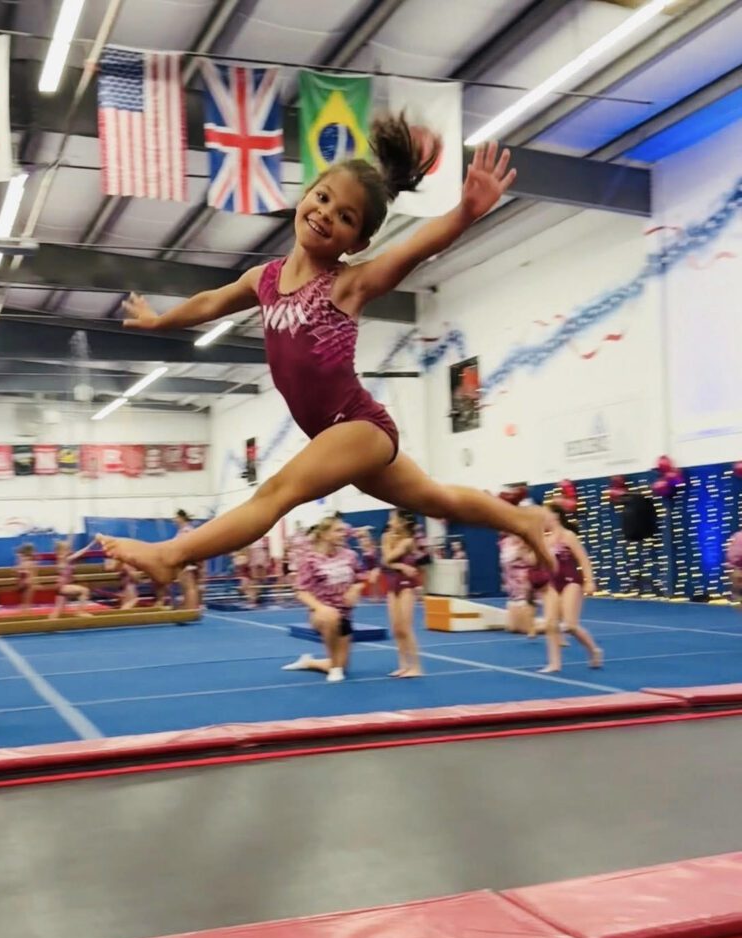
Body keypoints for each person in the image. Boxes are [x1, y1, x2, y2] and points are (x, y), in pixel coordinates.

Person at [99, 123, 553, 584]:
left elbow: (413, 249)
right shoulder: (265, 279)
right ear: (306, 195)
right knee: (438, 500)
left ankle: (173, 556)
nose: (326, 213)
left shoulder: (347, 285)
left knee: (276, 492)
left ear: (356, 243)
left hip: (358, 426)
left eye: (346, 216)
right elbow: (211, 301)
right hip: (338, 434)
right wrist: (161, 320)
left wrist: (467, 211)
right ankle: (521, 520)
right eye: (323, 198)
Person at [282, 516, 366, 683]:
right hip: (321, 614)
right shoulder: (310, 559)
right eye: (338, 530)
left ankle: (309, 662)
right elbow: (301, 591)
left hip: (345, 615)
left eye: (344, 530)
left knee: (343, 666)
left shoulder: (350, 555)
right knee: (331, 616)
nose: (343, 534)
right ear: (325, 534)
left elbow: (362, 577)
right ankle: (334, 669)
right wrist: (320, 607)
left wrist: (356, 589)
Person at [540, 505, 602, 673]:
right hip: (552, 584)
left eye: (544, 516)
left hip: (571, 582)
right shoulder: (544, 540)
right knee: (550, 623)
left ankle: (593, 650)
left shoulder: (568, 536)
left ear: (555, 517)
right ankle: (555, 663)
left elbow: (583, 560)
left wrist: (590, 581)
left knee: (570, 625)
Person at [381, 509, 422, 677]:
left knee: (406, 627)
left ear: (403, 522)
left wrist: (396, 563)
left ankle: (416, 667)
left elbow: (389, 557)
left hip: (406, 585)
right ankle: (403, 665)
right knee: (396, 628)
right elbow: (384, 561)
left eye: (393, 519)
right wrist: (402, 566)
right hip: (392, 582)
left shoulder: (408, 541)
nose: (390, 523)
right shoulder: (386, 537)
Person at [50, 538, 96, 619]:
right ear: (61, 552)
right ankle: (80, 611)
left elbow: (69, 547)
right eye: (67, 550)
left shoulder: (61, 559)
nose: (69, 551)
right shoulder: (65, 559)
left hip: (60, 587)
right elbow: (79, 553)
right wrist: (91, 544)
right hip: (63, 586)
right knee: (85, 591)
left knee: (57, 611)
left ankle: (48, 626)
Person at [173, 510, 203, 610]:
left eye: (176, 517)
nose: (174, 520)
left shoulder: (187, 530)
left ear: (181, 518)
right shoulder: (181, 531)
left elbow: (188, 546)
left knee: (189, 586)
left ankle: (192, 608)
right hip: (183, 562)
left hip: (188, 562)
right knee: (186, 587)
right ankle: (188, 606)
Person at [16, 542, 38, 613]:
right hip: (27, 581)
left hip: (25, 581)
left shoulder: (25, 561)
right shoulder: (30, 562)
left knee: (25, 599)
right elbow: (33, 573)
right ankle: (26, 609)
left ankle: (25, 609)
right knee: (27, 599)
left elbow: (20, 571)